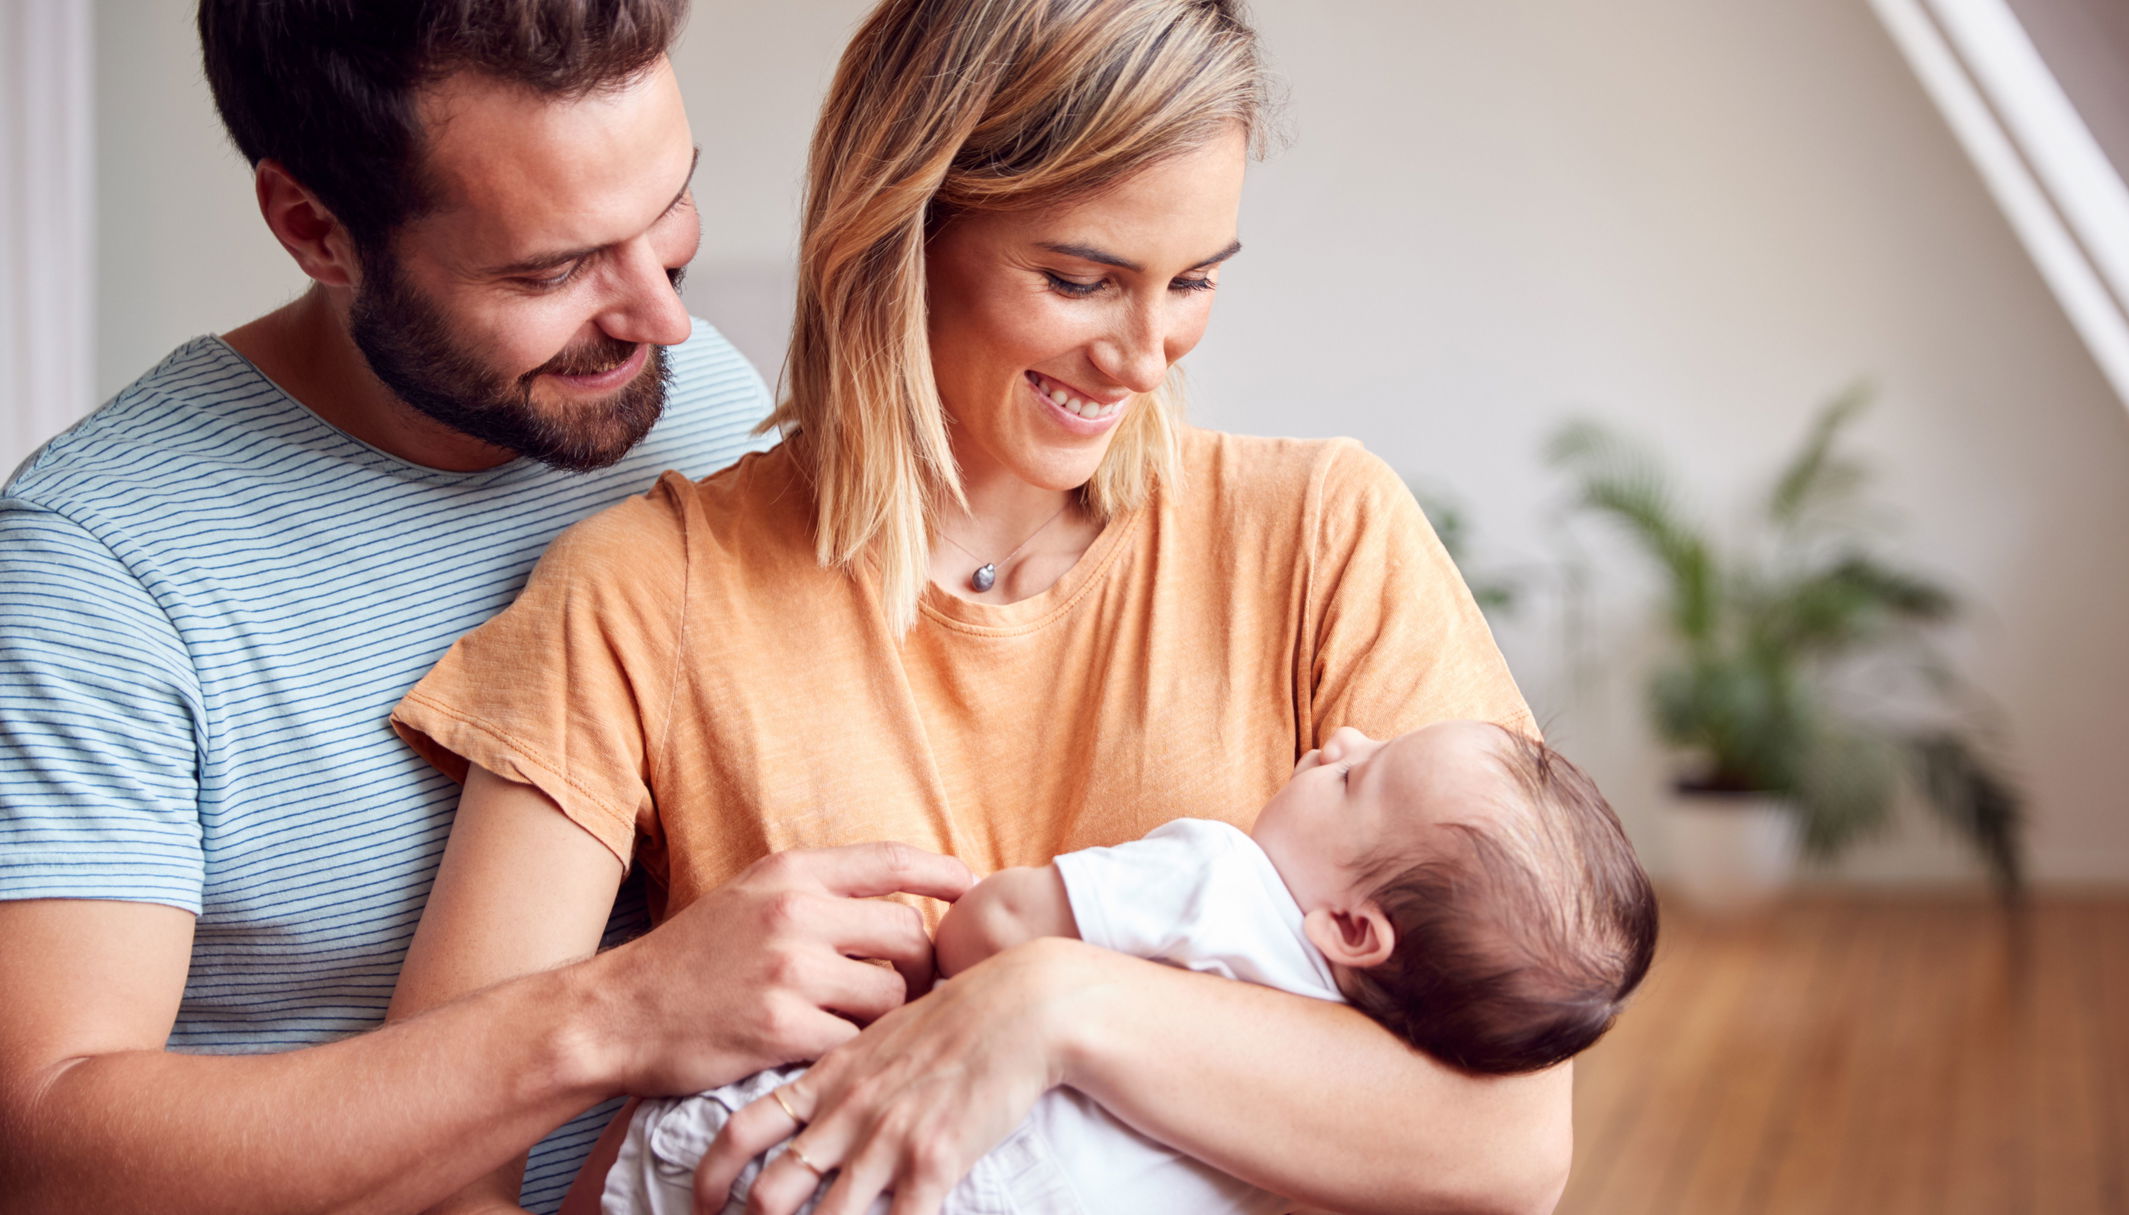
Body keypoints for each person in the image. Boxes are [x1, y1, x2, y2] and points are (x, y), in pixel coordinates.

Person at [388, 1, 1576, 1212]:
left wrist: (1051, 1006)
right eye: (1079, 279)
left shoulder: (1325, 535)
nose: (1145, 355)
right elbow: (434, 1159)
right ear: (899, 229)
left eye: (1192, 281)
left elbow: (1510, 1146)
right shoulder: (646, 595)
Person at [0, 4, 974, 1214]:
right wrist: (618, 1016)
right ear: (316, 229)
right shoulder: (99, 573)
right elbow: (44, 1152)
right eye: (552, 268)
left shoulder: (688, 405)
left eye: (666, 208)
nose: (662, 315)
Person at [600, 720, 1659, 1215]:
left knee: (673, 1143)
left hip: (836, 1167)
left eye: (1359, 776)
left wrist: (973, 938)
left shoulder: (1220, 883)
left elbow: (994, 928)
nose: (1338, 736)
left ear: (1351, 926)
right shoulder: (1362, 1066)